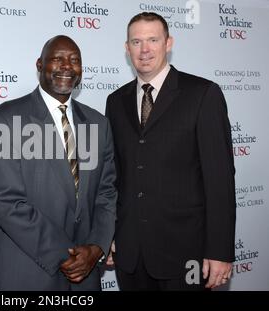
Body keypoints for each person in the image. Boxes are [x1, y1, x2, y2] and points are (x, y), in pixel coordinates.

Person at [105, 12, 236, 290]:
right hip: (130, 253)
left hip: (186, 253)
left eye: (153, 39)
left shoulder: (202, 94)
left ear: (169, 43)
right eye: (136, 41)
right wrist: (108, 234)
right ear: (127, 49)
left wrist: (220, 251)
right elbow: (114, 176)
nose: (145, 49)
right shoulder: (115, 102)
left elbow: (220, 180)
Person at [0, 35, 117, 290]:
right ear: (39, 65)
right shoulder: (4, 120)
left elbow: (106, 193)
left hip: (86, 274)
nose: (67, 66)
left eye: (75, 60)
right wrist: (65, 255)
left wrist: (96, 248)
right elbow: (6, 201)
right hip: (29, 272)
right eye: (57, 59)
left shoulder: (99, 124)